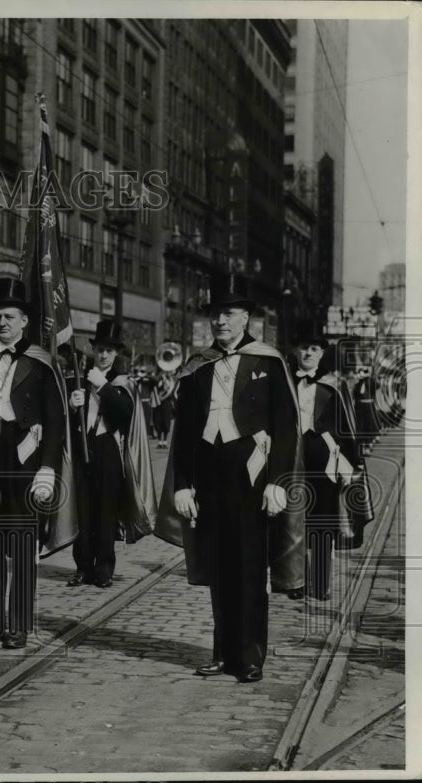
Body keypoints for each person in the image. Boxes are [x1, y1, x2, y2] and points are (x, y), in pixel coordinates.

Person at [156, 276, 302, 684]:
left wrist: (278, 482)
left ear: (246, 318)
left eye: (228, 314)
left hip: (252, 478)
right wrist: (183, 484)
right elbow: (183, 432)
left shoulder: (268, 362)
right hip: (209, 478)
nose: (220, 321)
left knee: (251, 569)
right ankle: (222, 653)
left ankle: (250, 656)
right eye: (215, 314)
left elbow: (286, 426)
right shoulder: (197, 367)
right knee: (219, 568)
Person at [0, 278, 64, 649]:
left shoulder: (41, 362)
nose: (2, 323)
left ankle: (18, 624)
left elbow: (55, 422)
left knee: (21, 545)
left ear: (24, 320)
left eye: (9, 316)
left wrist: (48, 468)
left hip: (24, 458)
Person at [67, 320, 156, 589]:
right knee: (82, 513)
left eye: (109, 350)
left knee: (106, 513)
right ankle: (83, 567)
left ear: (117, 353)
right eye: (100, 349)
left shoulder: (122, 383)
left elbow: (123, 414)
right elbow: (67, 424)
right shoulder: (78, 379)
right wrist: (72, 406)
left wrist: (103, 387)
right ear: (94, 350)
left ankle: (104, 570)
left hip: (108, 449)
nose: (103, 355)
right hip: (83, 448)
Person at [286, 321, 361, 601]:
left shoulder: (334, 386)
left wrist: (351, 464)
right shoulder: (284, 383)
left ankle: (320, 583)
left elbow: (346, 427)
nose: (307, 353)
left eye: (313, 349)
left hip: (324, 463)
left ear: (321, 353)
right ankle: (295, 580)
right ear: (295, 351)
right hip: (290, 460)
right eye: (303, 348)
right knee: (293, 521)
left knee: (322, 523)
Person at [152, 371, 178, 449]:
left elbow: (171, 391)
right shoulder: (158, 381)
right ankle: (160, 442)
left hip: (166, 404)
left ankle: (165, 442)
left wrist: (165, 380)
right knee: (158, 421)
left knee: (166, 422)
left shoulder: (170, 381)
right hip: (158, 404)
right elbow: (155, 389)